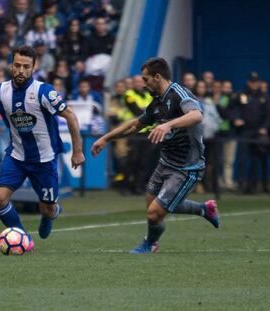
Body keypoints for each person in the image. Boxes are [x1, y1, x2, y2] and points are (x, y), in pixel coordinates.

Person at [91, 57, 220, 254]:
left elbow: (196, 115)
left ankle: (150, 244)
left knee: (154, 213)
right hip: (166, 162)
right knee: (156, 208)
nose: (144, 83)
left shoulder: (179, 94)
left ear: (157, 77)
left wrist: (168, 124)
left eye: (145, 79)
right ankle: (204, 209)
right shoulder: (157, 102)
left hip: (187, 168)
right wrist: (106, 138)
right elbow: (135, 125)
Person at [0, 45, 85, 250]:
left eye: (26, 67)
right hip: (16, 157)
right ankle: (23, 237)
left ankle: (50, 214)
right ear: (11, 65)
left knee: (47, 209)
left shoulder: (44, 92)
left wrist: (77, 151)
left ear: (34, 67)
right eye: (17, 65)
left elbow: (71, 117)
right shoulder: (1, 91)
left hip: (44, 160)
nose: (21, 71)